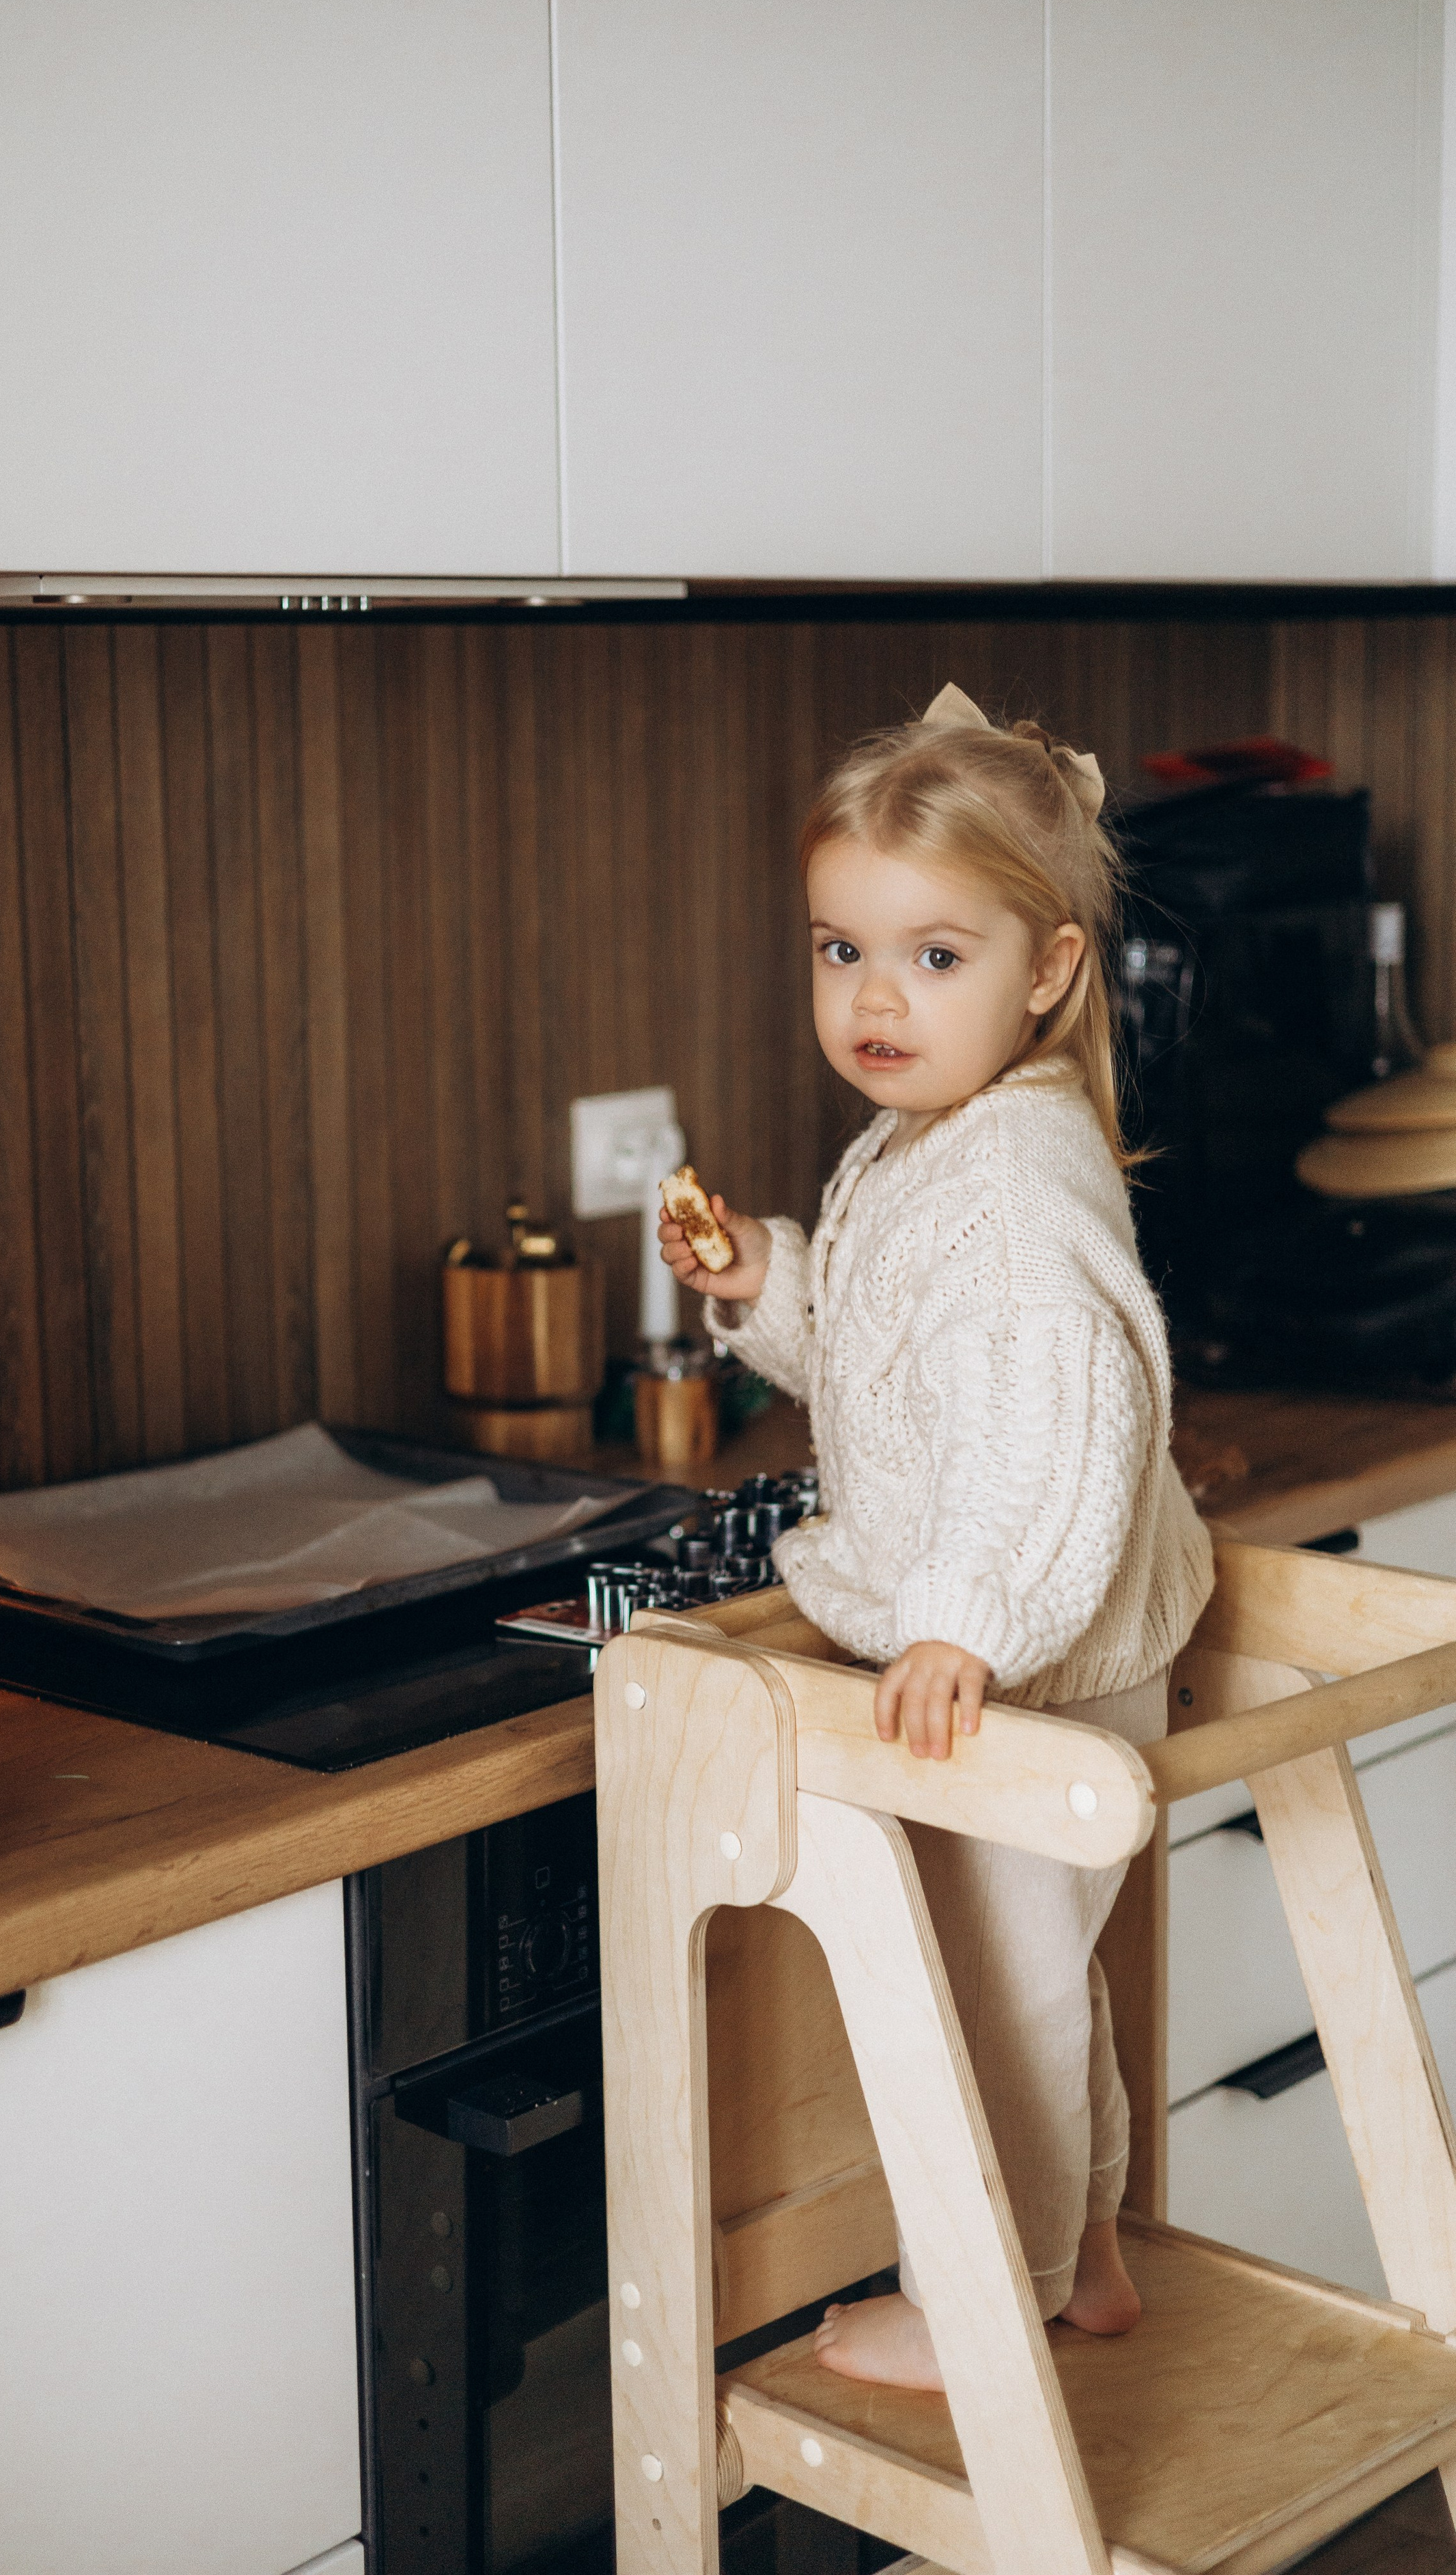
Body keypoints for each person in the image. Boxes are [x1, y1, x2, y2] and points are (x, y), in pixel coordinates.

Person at [660, 682, 1213, 2393]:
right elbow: (897, 1378)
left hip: (1013, 1662)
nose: (874, 1000)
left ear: (1046, 971)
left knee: (996, 2001)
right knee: (1040, 1975)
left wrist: (959, 1619)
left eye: (931, 958)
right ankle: (1088, 2255)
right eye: (839, 951)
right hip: (1007, 1654)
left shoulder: (1007, 1192)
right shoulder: (923, 1144)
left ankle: (1002, 2293)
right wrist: (767, 1282)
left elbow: (1052, 1437)